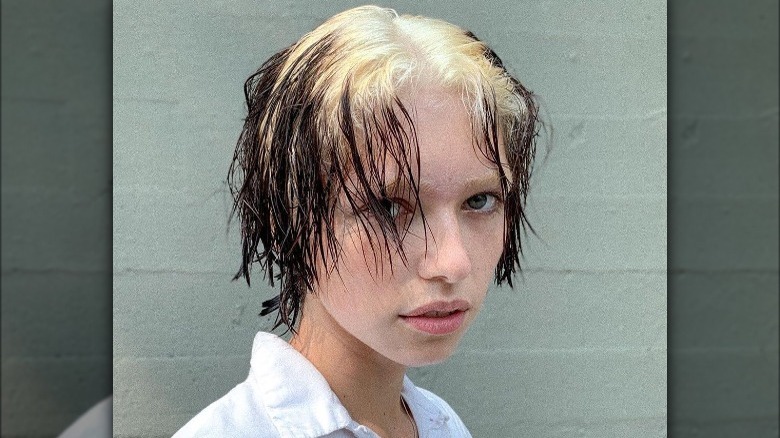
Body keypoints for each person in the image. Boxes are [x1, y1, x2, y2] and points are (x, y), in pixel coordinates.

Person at [173, 5, 540, 437]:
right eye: (387, 208)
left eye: (479, 200)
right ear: (291, 216)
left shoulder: (440, 424)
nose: (454, 262)